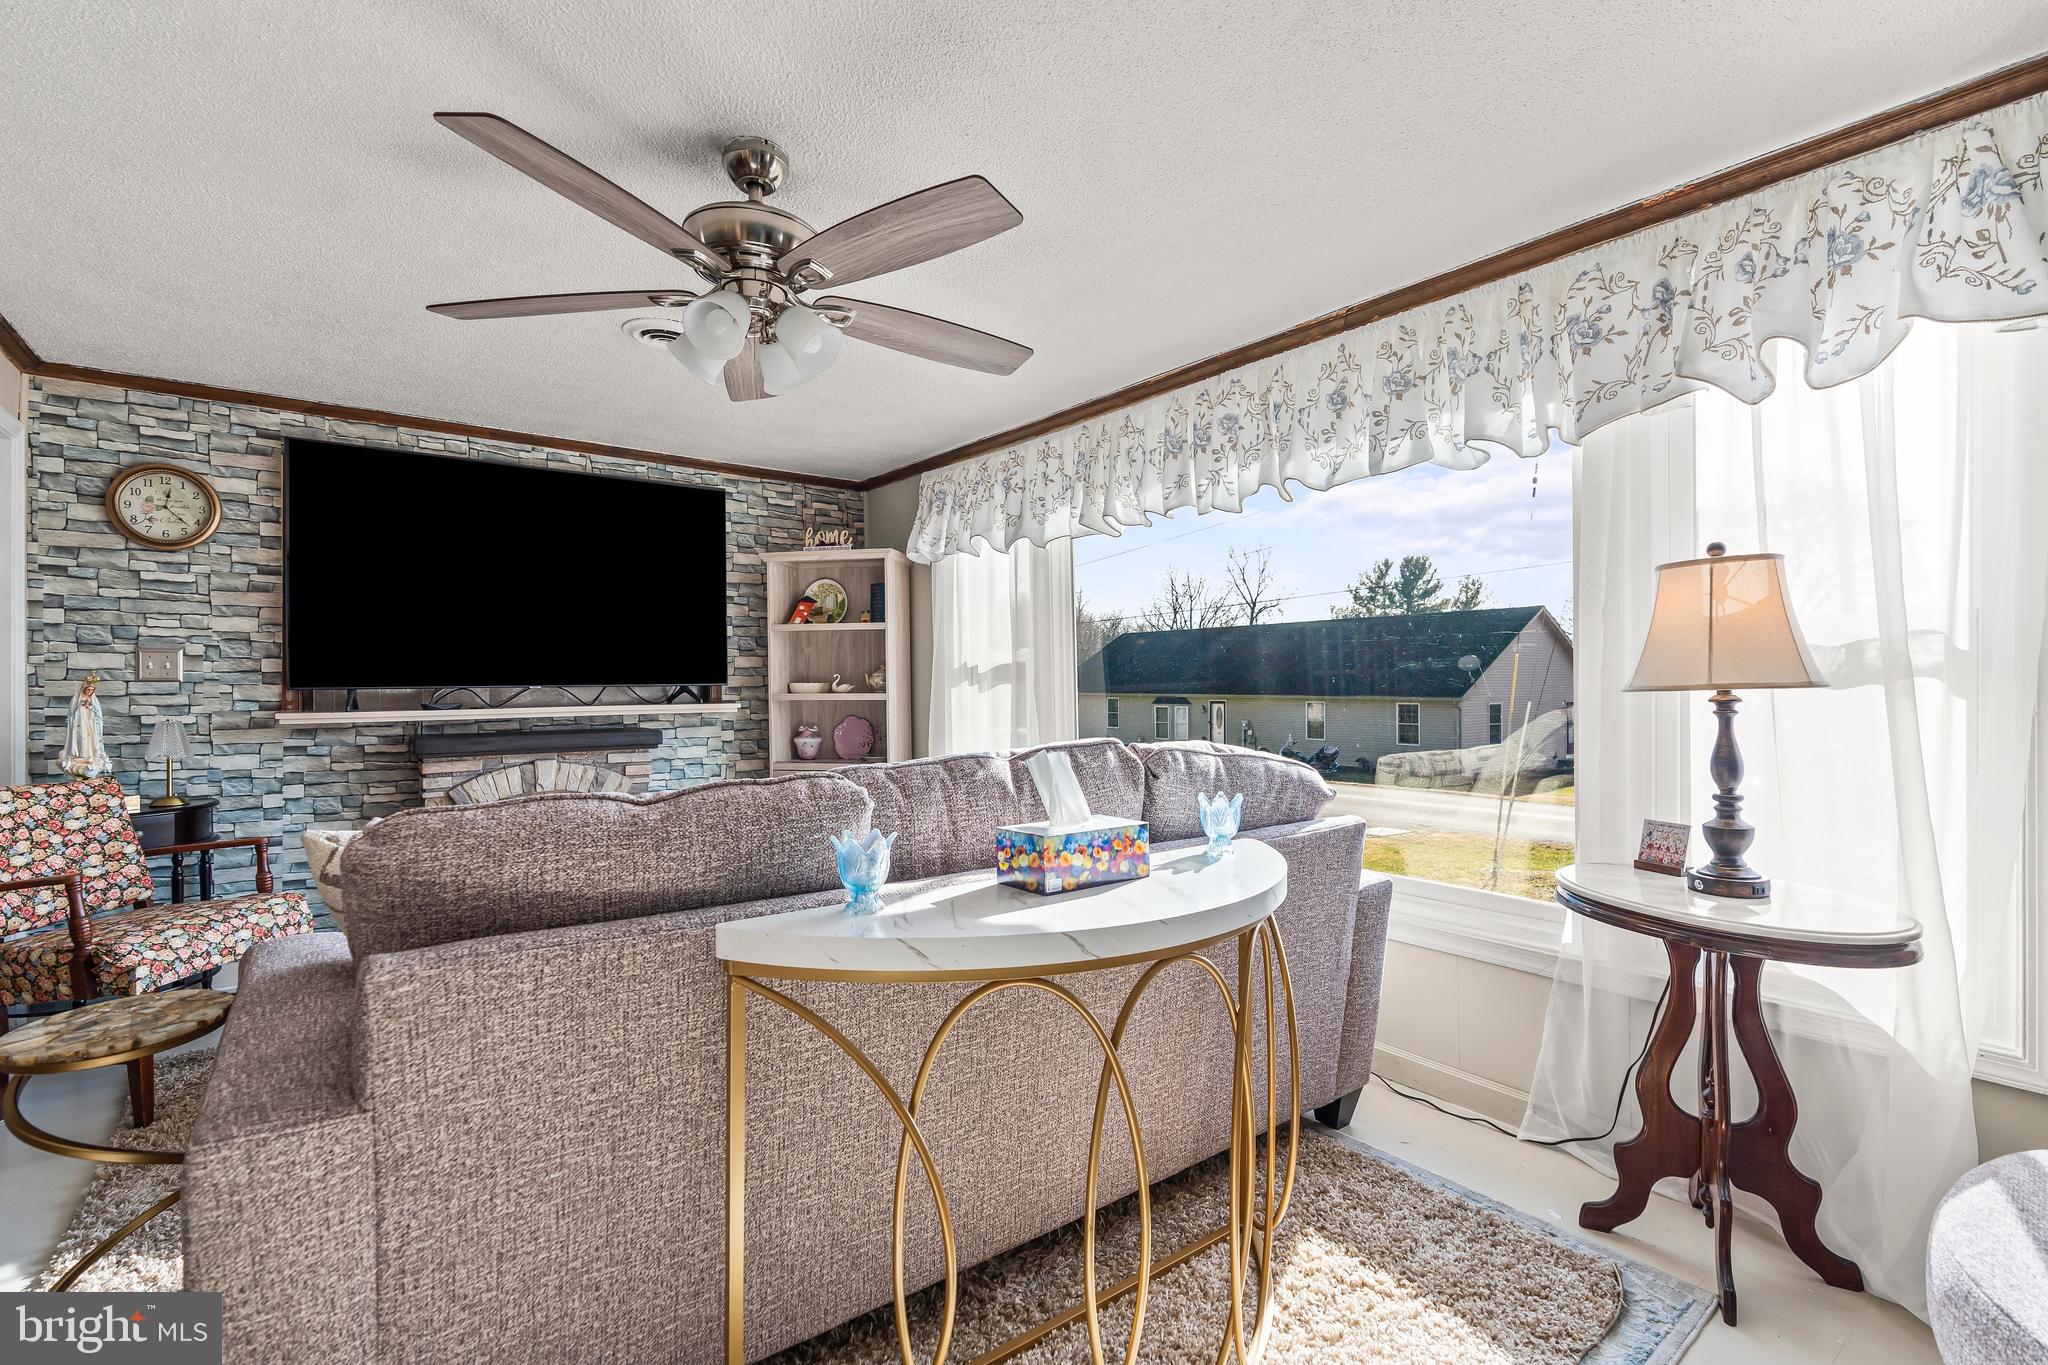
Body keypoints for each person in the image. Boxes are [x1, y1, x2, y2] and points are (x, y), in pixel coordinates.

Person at [59, 671, 111, 778]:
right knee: (81, 738)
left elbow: (98, 713)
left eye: (92, 690)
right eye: (88, 689)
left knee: (90, 739)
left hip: (90, 723)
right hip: (80, 724)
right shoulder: (76, 698)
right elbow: (72, 713)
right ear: (83, 689)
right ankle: (80, 755)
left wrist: (91, 708)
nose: (89, 692)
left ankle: (90, 755)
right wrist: (81, 707)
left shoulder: (93, 699)